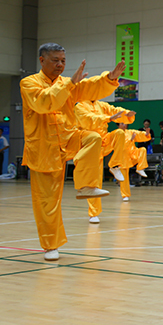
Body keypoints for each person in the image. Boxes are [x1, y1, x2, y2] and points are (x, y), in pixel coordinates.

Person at [20, 42, 124, 261]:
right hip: (43, 148)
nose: (60, 65)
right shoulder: (28, 83)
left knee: (93, 138)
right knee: (47, 202)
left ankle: (86, 185)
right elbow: (44, 103)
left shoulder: (67, 83)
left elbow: (88, 87)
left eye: (63, 61)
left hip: (68, 138)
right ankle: (51, 245)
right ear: (42, 60)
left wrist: (109, 78)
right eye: (55, 60)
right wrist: (69, 84)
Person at [74, 100, 136, 223]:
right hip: (90, 145)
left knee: (119, 133)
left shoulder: (101, 105)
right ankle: (93, 213)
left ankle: (114, 165)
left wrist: (126, 113)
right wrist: (108, 118)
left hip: (104, 141)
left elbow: (114, 110)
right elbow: (89, 119)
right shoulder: (80, 106)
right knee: (93, 182)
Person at [116, 122, 151, 201]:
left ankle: (140, 168)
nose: (124, 125)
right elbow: (118, 144)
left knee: (143, 150)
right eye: (122, 123)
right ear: (118, 125)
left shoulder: (130, 132)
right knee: (124, 177)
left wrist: (146, 134)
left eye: (125, 123)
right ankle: (125, 195)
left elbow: (139, 134)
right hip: (123, 157)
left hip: (132, 155)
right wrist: (131, 140)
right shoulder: (116, 133)